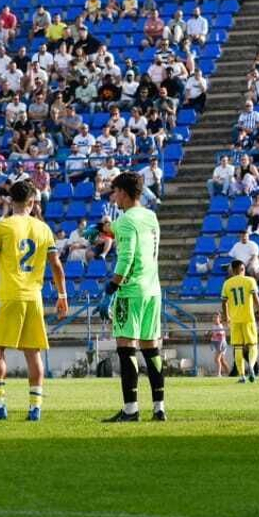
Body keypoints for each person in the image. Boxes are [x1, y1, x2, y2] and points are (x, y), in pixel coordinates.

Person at [0, 179, 67, 421]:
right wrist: (62, 295)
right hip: (33, 297)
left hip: (8, 295)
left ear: (10, 200)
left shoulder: (2, 226)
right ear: (32, 201)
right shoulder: (43, 228)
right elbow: (56, 265)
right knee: (33, 353)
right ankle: (35, 407)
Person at [101, 172, 165, 422]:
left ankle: (131, 410)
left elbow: (126, 258)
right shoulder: (150, 217)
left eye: (114, 191)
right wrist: (103, 229)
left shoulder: (127, 220)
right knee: (151, 350)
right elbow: (120, 231)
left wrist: (111, 289)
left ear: (124, 193)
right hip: (153, 290)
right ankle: (159, 408)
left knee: (126, 348)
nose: (112, 196)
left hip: (130, 292)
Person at [221, 259, 259, 383]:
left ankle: (242, 376)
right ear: (242, 269)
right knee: (252, 345)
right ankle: (252, 368)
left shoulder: (227, 283)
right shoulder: (250, 281)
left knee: (237, 347)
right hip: (248, 318)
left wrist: (226, 318)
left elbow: (224, 302)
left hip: (235, 320)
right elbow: (256, 298)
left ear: (232, 270)